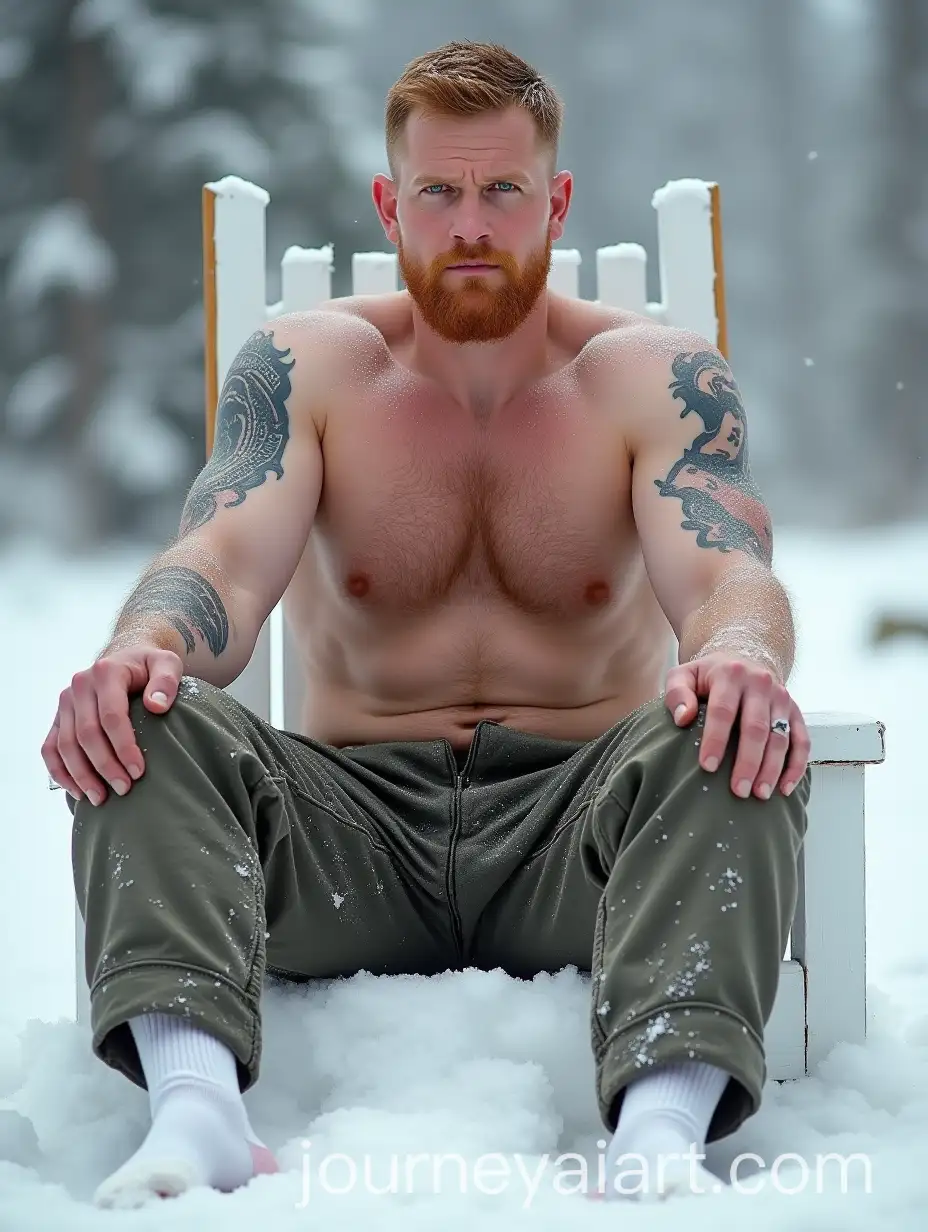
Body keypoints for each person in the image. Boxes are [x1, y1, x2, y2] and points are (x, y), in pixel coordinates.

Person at [42, 40, 811, 1208]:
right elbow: (223, 562)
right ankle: (196, 1110)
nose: (469, 223)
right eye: (438, 191)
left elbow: (725, 574)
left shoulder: (651, 378)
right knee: (139, 714)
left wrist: (743, 658)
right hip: (346, 834)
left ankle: (659, 1133)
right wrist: (138, 647)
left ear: (552, 200)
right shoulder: (310, 369)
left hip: (584, 839)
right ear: (388, 201)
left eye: (502, 190)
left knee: (731, 732)